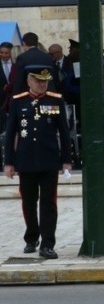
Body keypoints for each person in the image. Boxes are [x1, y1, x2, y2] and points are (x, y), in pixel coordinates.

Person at [4, 65, 71, 259]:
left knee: (49, 203)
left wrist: (66, 159)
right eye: (38, 81)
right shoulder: (18, 101)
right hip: (25, 160)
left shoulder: (55, 100)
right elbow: (10, 135)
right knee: (28, 201)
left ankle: (48, 244)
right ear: (29, 81)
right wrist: (9, 162)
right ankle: (31, 238)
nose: (42, 85)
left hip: (49, 159)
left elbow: (64, 133)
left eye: (45, 81)